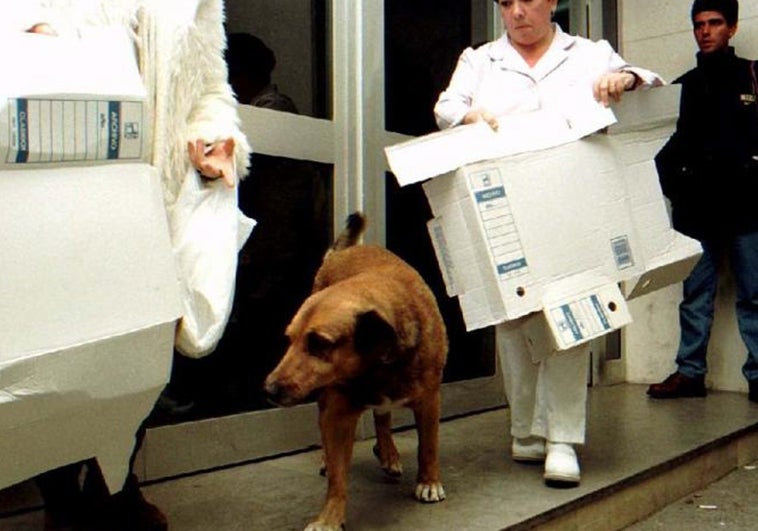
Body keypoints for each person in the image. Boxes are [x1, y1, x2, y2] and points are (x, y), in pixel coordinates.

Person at [24, 1, 252, 529]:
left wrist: (218, 139)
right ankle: (61, 498)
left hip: (152, 200)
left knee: (142, 355)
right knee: (61, 352)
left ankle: (115, 483)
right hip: (57, 194)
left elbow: (211, 90)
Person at [434, 0, 662, 487]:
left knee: (573, 316)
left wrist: (624, 79)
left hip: (574, 202)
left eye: (527, 0)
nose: (516, 12)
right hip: (508, 206)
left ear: (553, 1)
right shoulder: (480, 60)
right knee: (515, 320)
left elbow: (643, 76)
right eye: (505, 3)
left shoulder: (587, 52)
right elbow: (445, 107)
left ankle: (561, 437)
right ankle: (526, 429)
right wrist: (468, 115)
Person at [647, 0, 758, 401]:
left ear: (732, 27)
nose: (706, 31)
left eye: (714, 23)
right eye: (699, 25)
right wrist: (679, 188)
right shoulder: (683, 86)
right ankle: (690, 373)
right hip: (697, 214)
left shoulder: (753, 75)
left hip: (749, 210)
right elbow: (660, 151)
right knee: (694, 297)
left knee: (755, 295)